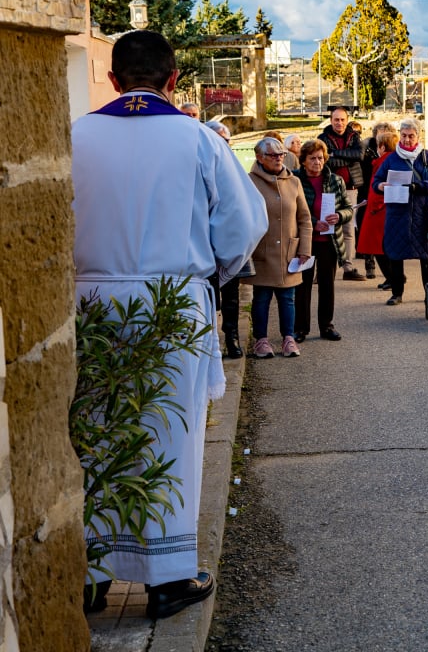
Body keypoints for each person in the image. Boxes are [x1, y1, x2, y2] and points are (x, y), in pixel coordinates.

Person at [72, 30, 266, 618]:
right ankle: (166, 577)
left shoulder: (76, 135)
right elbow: (240, 227)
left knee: (93, 432)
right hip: (171, 300)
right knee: (169, 433)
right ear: (174, 79)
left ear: (112, 78)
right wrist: (208, 276)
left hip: (88, 302)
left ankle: (90, 571)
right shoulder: (199, 139)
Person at [245, 137, 312, 358]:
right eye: (273, 155)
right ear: (259, 157)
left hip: (288, 252)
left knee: (288, 297)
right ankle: (261, 341)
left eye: (281, 154)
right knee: (262, 297)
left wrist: (305, 248)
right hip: (262, 251)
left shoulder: (294, 182)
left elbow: (304, 218)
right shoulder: (249, 182)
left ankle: (288, 338)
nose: (278, 159)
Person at [372, 118, 428, 304]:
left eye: (411, 136)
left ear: (418, 136)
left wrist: (419, 186)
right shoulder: (392, 158)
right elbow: (376, 182)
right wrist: (381, 186)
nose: (407, 140)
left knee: (426, 256)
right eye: (404, 136)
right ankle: (397, 293)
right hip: (397, 213)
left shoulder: (426, 157)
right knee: (395, 255)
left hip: (421, 213)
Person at [293, 139, 355, 342]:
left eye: (320, 158)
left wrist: (339, 215)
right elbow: (290, 211)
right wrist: (312, 222)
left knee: (327, 285)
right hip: (304, 240)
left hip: (330, 241)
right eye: (312, 159)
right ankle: (300, 328)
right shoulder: (294, 180)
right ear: (303, 161)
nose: (317, 162)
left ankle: (326, 326)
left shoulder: (335, 180)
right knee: (302, 286)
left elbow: (348, 208)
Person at [202, 119, 244, 358]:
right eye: (219, 140)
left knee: (231, 294)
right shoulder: (198, 166)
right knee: (207, 294)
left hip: (229, 241)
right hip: (203, 244)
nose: (224, 145)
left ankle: (232, 336)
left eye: (227, 141)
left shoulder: (234, 168)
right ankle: (209, 339)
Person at [317, 107, 367, 281]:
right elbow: (324, 159)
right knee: (325, 228)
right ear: (331, 120)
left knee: (348, 229)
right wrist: (346, 157)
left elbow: (359, 155)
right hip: (328, 189)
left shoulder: (354, 137)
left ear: (347, 120)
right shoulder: (323, 139)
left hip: (351, 188)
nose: (339, 123)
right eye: (336, 119)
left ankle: (348, 268)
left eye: (342, 120)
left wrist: (335, 154)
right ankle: (321, 271)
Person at [358, 131, 397, 293]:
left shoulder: (383, 162)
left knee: (378, 247)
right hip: (380, 207)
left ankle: (393, 277)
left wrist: (375, 205)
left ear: (381, 146)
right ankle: (392, 277)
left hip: (378, 209)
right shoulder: (391, 160)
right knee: (383, 247)